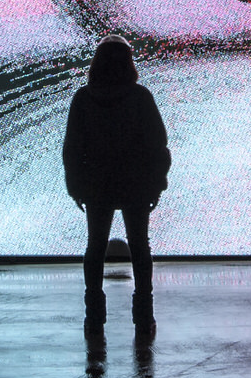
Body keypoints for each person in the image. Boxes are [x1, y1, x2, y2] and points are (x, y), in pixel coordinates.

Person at [62, 36, 171, 338]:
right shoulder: (140, 97)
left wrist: (75, 186)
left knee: (95, 246)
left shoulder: (83, 99)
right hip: (135, 183)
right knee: (140, 246)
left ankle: (94, 313)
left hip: (97, 184)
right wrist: (157, 183)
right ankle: (144, 313)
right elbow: (157, 144)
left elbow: (72, 148)